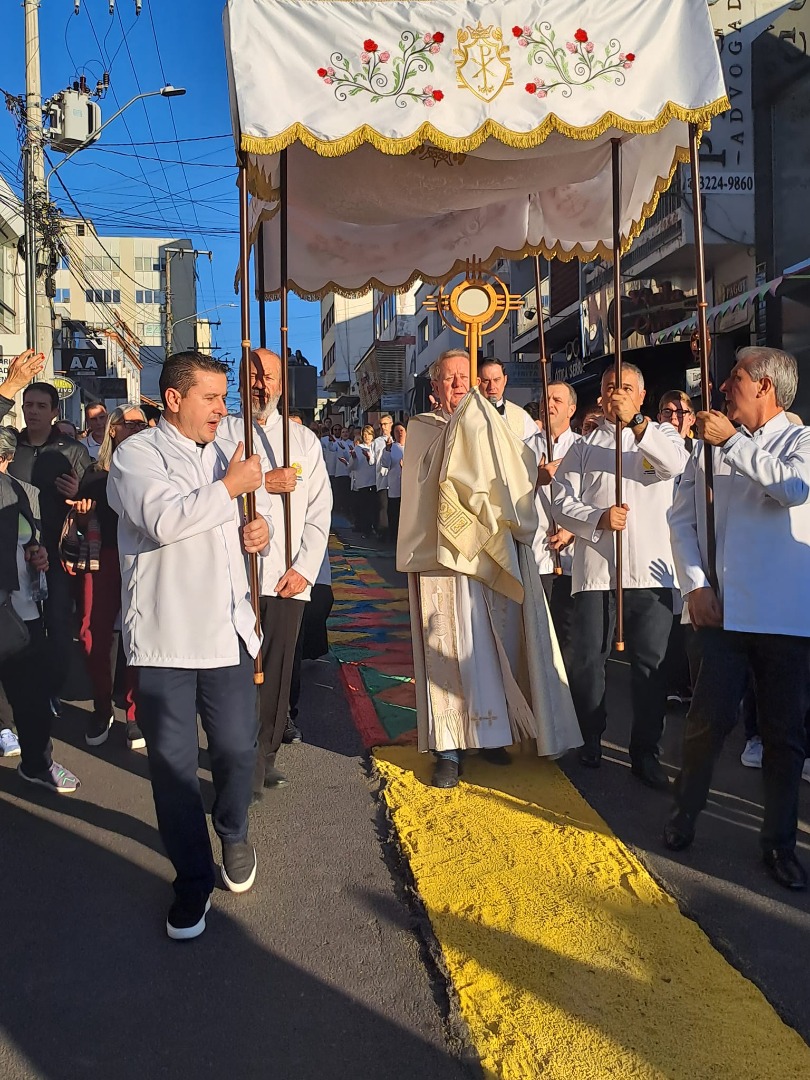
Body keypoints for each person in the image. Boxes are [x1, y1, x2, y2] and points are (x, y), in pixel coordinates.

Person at [108, 351, 270, 940]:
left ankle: (232, 828)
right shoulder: (136, 456)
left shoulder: (224, 453)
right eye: (211, 398)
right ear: (174, 399)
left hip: (226, 631)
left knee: (235, 750)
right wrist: (231, 490)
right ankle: (193, 882)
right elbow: (165, 522)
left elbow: (232, 528)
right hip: (167, 638)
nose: (222, 410)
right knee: (174, 771)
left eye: (225, 398)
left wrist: (256, 530)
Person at [397, 348, 581, 789]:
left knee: (491, 643)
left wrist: (527, 474)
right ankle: (448, 748)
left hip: (488, 552)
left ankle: (493, 733)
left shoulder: (499, 426)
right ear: (435, 387)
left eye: (465, 377)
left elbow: (514, 477)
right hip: (443, 556)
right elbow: (425, 484)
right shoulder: (423, 430)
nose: (459, 384)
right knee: (448, 644)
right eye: (449, 378)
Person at [665, 347, 810, 891]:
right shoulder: (707, 449)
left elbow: (792, 490)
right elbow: (681, 519)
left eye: (736, 378)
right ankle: (683, 814)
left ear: (766, 387)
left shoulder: (801, 441)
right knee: (705, 726)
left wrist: (732, 442)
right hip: (724, 613)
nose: (725, 387)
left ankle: (778, 844)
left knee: (783, 738)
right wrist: (697, 584)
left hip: (786, 616)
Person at [552, 363, 689, 788]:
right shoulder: (583, 447)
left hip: (650, 570)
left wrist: (638, 424)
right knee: (587, 658)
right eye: (612, 387)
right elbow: (561, 502)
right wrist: (597, 517)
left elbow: (671, 465)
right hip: (597, 569)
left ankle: (645, 751)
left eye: (627, 388)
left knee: (651, 666)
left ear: (642, 396)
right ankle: (590, 736)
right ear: (600, 394)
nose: (619, 395)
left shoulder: (661, 436)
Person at [219, 349, 331, 791]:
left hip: (286, 578)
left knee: (278, 673)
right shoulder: (223, 433)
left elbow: (320, 512)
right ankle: (236, 757)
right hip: (234, 577)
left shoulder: (302, 441)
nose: (261, 385)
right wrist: (264, 483)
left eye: (269, 376)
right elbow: (214, 493)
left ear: (283, 384)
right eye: (252, 376)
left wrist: (305, 568)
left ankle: (262, 756)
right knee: (236, 673)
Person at [0, 353, 92, 714]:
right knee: (19, 625)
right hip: (14, 553)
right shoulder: (11, 446)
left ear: (55, 412)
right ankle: (24, 695)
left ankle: (53, 688)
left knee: (56, 621)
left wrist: (78, 497)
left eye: (41, 405)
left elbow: (92, 499)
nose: (33, 411)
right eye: (28, 405)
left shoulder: (71, 450)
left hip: (55, 552)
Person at [0, 427, 80, 792]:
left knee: (31, 697)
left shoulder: (16, 490)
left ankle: (37, 763)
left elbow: (28, 538)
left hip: (22, 612)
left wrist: (37, 552)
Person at [73, 404, 148, 750]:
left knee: (140, 631)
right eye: (128, 423)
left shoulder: (156, 469)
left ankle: (134, 711)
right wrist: (83, 519)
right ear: (113, 429)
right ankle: (102, 706)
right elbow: (81, 521)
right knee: (92, 632)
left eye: (141, 424)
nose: (135, 428)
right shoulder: (95, 472)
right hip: (104, 558)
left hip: (144, 559)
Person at [527, 381, 580, 655]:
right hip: (539, 554)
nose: (550, 404)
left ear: (571, 409)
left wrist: (572, 530)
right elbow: (507, 493)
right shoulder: (524, 448)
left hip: (574, 558)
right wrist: (537, 478)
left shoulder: (583, 447)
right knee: (540, 635)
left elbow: (592, 499)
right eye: (546, 398)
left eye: (557, 400)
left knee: (570, 637)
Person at [657, 390, 696, 706]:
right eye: (667, 412)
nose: (674, 418)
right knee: (671, 620)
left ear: (692, 418)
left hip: (696, 542)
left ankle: (694, 684)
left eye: (681, 412)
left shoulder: (701, 451)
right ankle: (673, 684)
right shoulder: (652, 451)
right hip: (663, 543)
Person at [477, 357, 537, 440]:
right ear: (478, 382)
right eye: (486, 381)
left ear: (505, 380)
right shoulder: (469, 414)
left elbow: (535, 448)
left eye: (497, 380)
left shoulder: (521, 417)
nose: (492, 387)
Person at [348, 426, 377, 538]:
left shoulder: (375, 447)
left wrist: (369, 457)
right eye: (364, 435)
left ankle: (374, 527)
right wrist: (354, 458)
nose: (366, 437)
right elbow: (352, 467)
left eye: (369, 434)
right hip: (362, 482)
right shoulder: (358, 448)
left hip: (374, 481)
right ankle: (366, 530)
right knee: (364, 507)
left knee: (373, 507)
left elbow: (375, 463)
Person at [381, 422, 406, 547]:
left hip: (408, 488)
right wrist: (387, 450)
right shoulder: (392, 447)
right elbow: (385, 464)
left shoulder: (411, 446)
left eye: (401, 430)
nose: (399, 433)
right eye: (396, 431)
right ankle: (393, 537)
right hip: (395, 486)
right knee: (394, 512)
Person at [372, 414, 393, 540]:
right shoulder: (377, 442)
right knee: (383, 506)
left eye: (385, 424)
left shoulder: (396, 439)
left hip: (395, 478)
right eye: (381, 424)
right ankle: (383, 531)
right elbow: (373, 460)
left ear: (391, 424)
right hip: (382, 477)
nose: (383, 427)